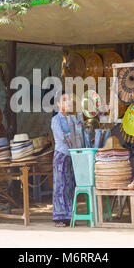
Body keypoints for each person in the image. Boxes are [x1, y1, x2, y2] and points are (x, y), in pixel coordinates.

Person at [50, 92, 76, 227]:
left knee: (70, 186)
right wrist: (72, 136)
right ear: (59, 104)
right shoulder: (56, 119)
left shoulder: (72, 118)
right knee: (60, 185)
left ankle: (69, 216)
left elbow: (78, 132)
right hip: (61, 155)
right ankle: (59, 218)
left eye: (69, 99)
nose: (68, 102)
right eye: (65, 100)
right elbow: (61, 137)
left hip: (72, 155)